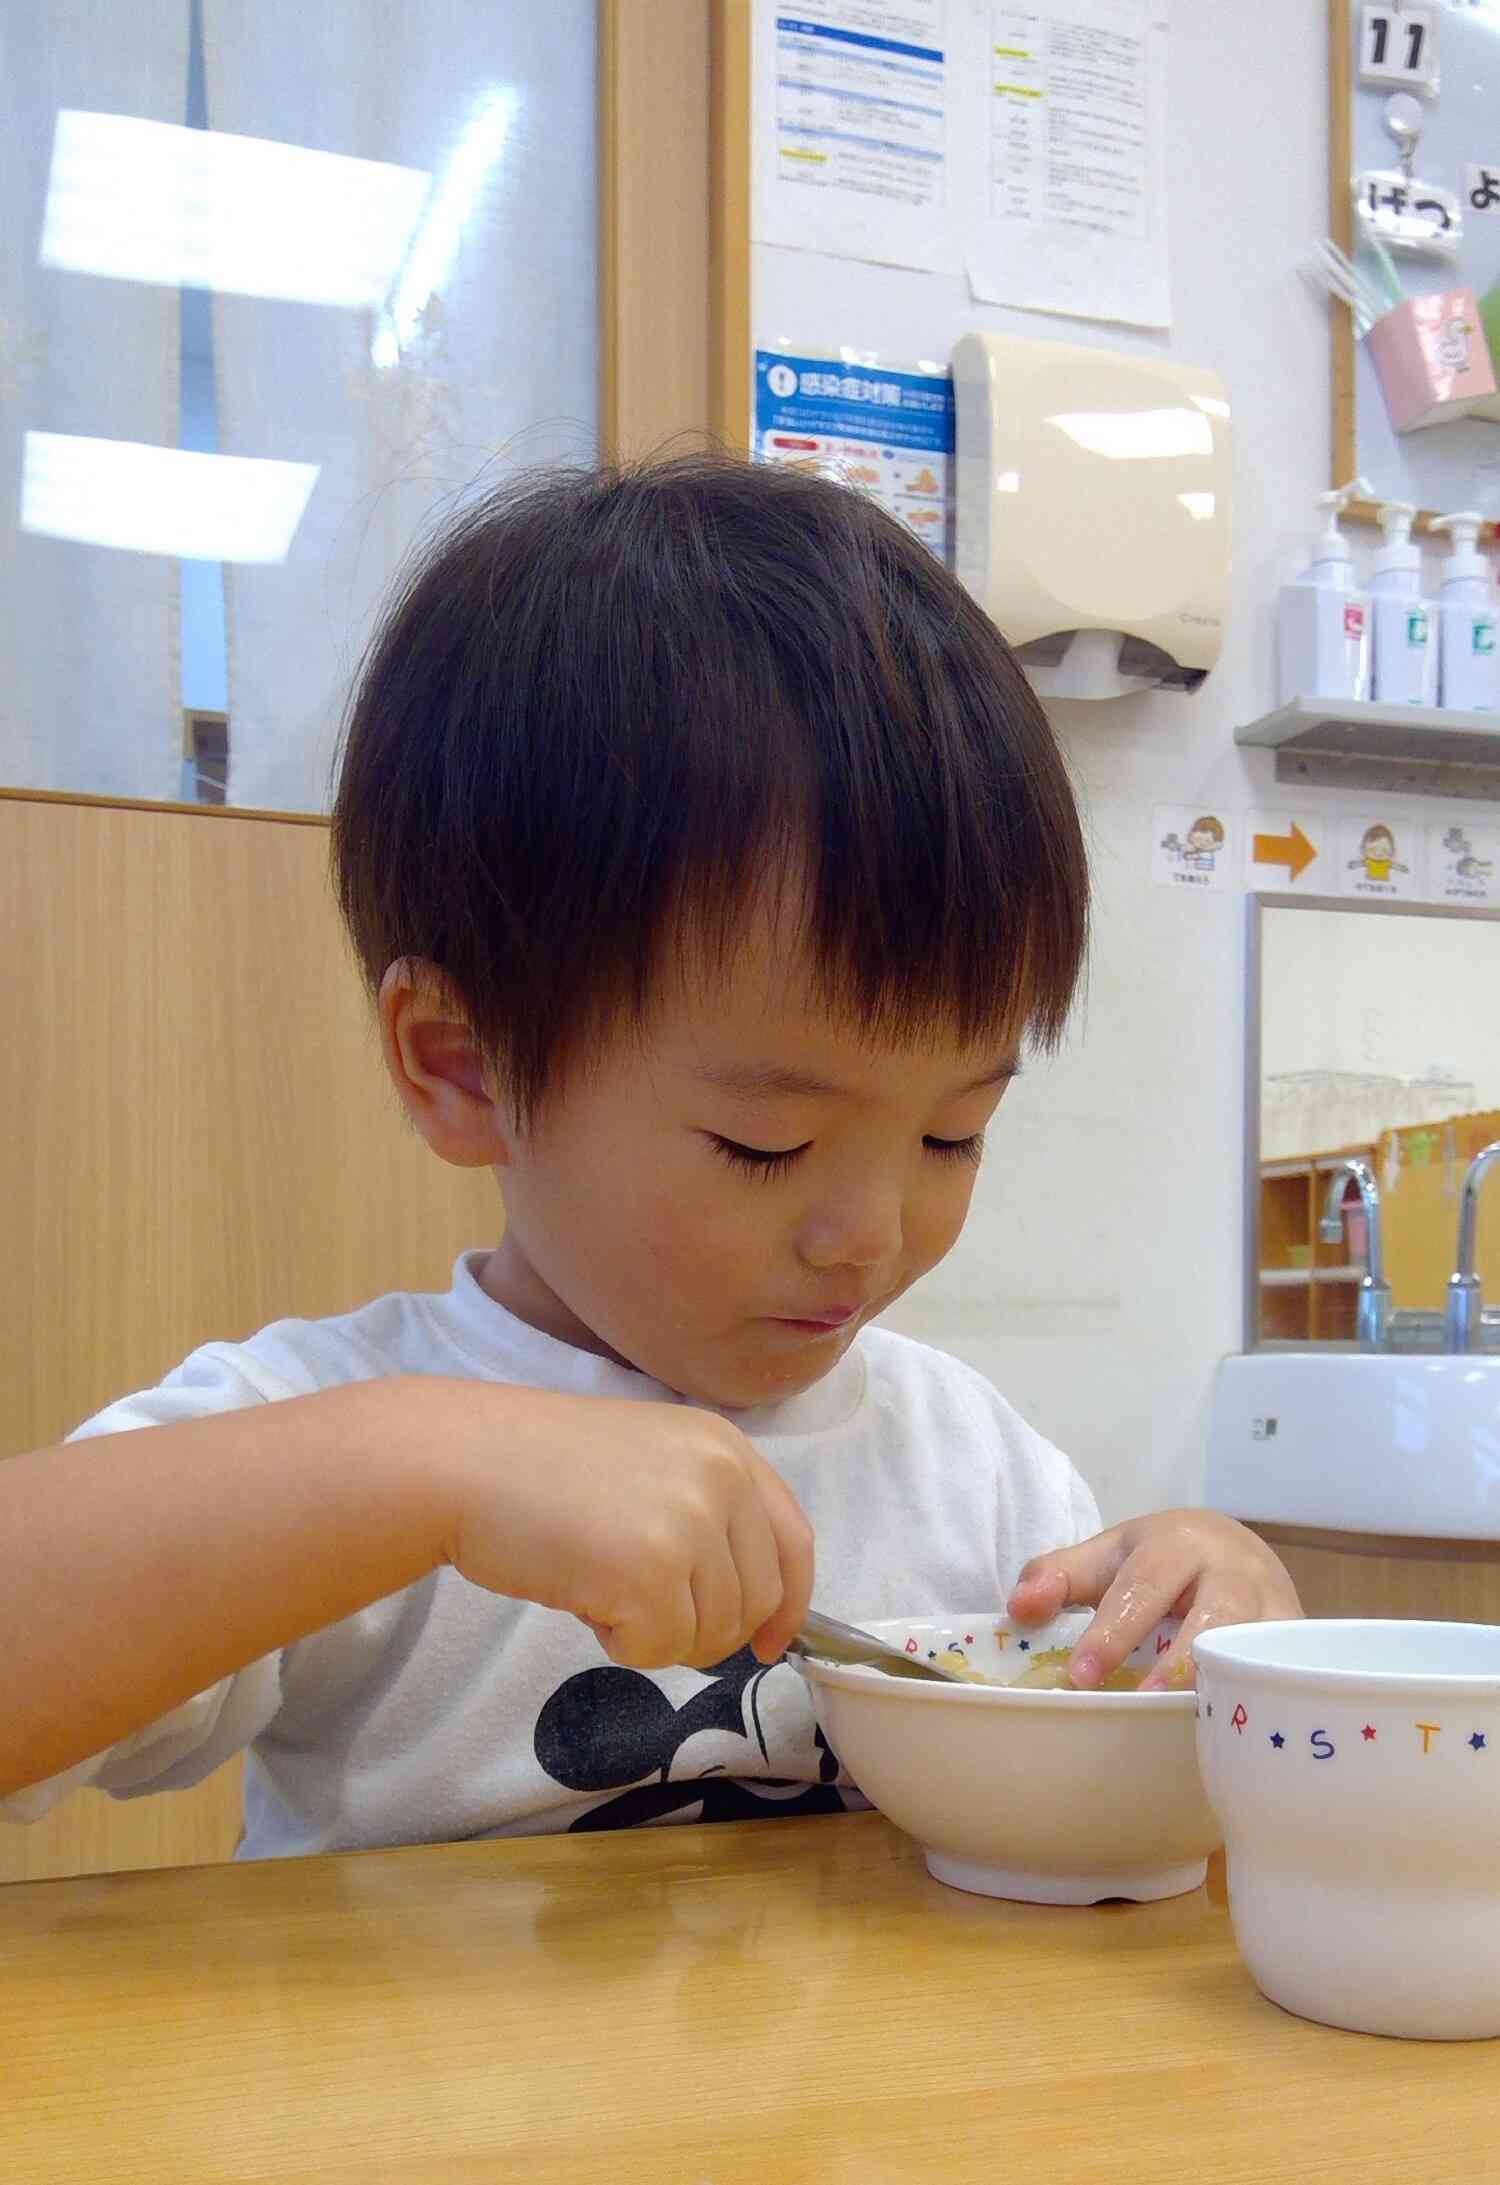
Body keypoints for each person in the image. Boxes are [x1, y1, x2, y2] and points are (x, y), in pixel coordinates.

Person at [0, 456, 1298, 1855]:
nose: (869, 1231)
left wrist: (1212, 1619)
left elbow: (1130, 1811)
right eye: (767, 1142)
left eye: (951, 1131)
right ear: (463, 1063)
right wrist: (421, 1471)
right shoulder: (345, 1422)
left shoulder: (974, 1471)